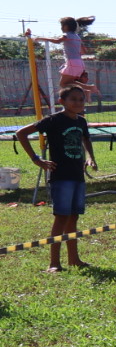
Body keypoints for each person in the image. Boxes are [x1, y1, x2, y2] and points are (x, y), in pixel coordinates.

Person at [15, 85, 98, 272]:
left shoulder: (81, 121)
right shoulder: (53, 120)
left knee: (73, 217)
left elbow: (86, 139)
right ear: (62, 102)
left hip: (77, 175)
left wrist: (90, 157)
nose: (78, 102)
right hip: (61, 176)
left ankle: (74, 259)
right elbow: (21, 133)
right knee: (61, 217)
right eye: (73, 99)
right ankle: (54, 263)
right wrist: (37, 159)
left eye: (81, 99)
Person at [39, 16, 97, 97]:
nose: (61, 28)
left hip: (72, 63)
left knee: (63, 84)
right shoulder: (77, 37)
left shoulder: (66, 35)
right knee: (69, 83)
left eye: (62, 25)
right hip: (80, 63)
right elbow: (84, 51)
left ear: (66, 26)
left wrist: (41, 38)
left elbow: (57, 41)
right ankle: (86, 89)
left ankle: (88, 88)